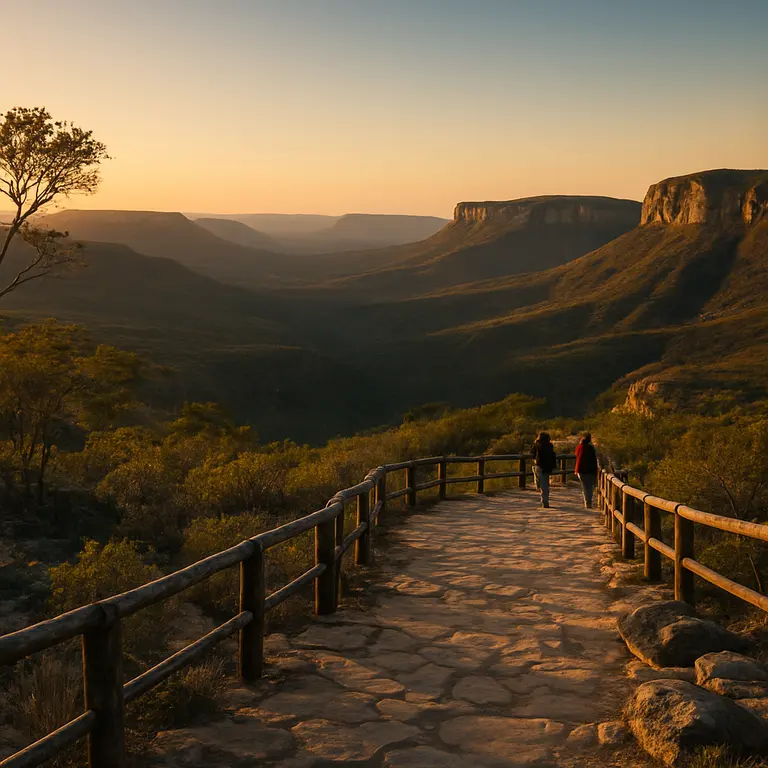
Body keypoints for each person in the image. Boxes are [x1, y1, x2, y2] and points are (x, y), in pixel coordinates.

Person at [531, 432, 556, 508]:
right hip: (547, 467)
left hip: (539, 466)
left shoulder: (536, 445)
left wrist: (535, 460)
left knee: (540, 482)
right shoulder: (549, 446)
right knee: (545, 485)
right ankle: (545, 502)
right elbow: (553, 455)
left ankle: (542, 497)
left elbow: (532, 454)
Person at [574, 432, 598, 508]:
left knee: (584, 486)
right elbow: (593, 459)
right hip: (589, 470)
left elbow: (577, 456)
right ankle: (588, 502)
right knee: (589, 487)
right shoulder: (590, 448)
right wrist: (596, 470)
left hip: (579, 470)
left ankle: (586, 501)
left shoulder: (579, 447)